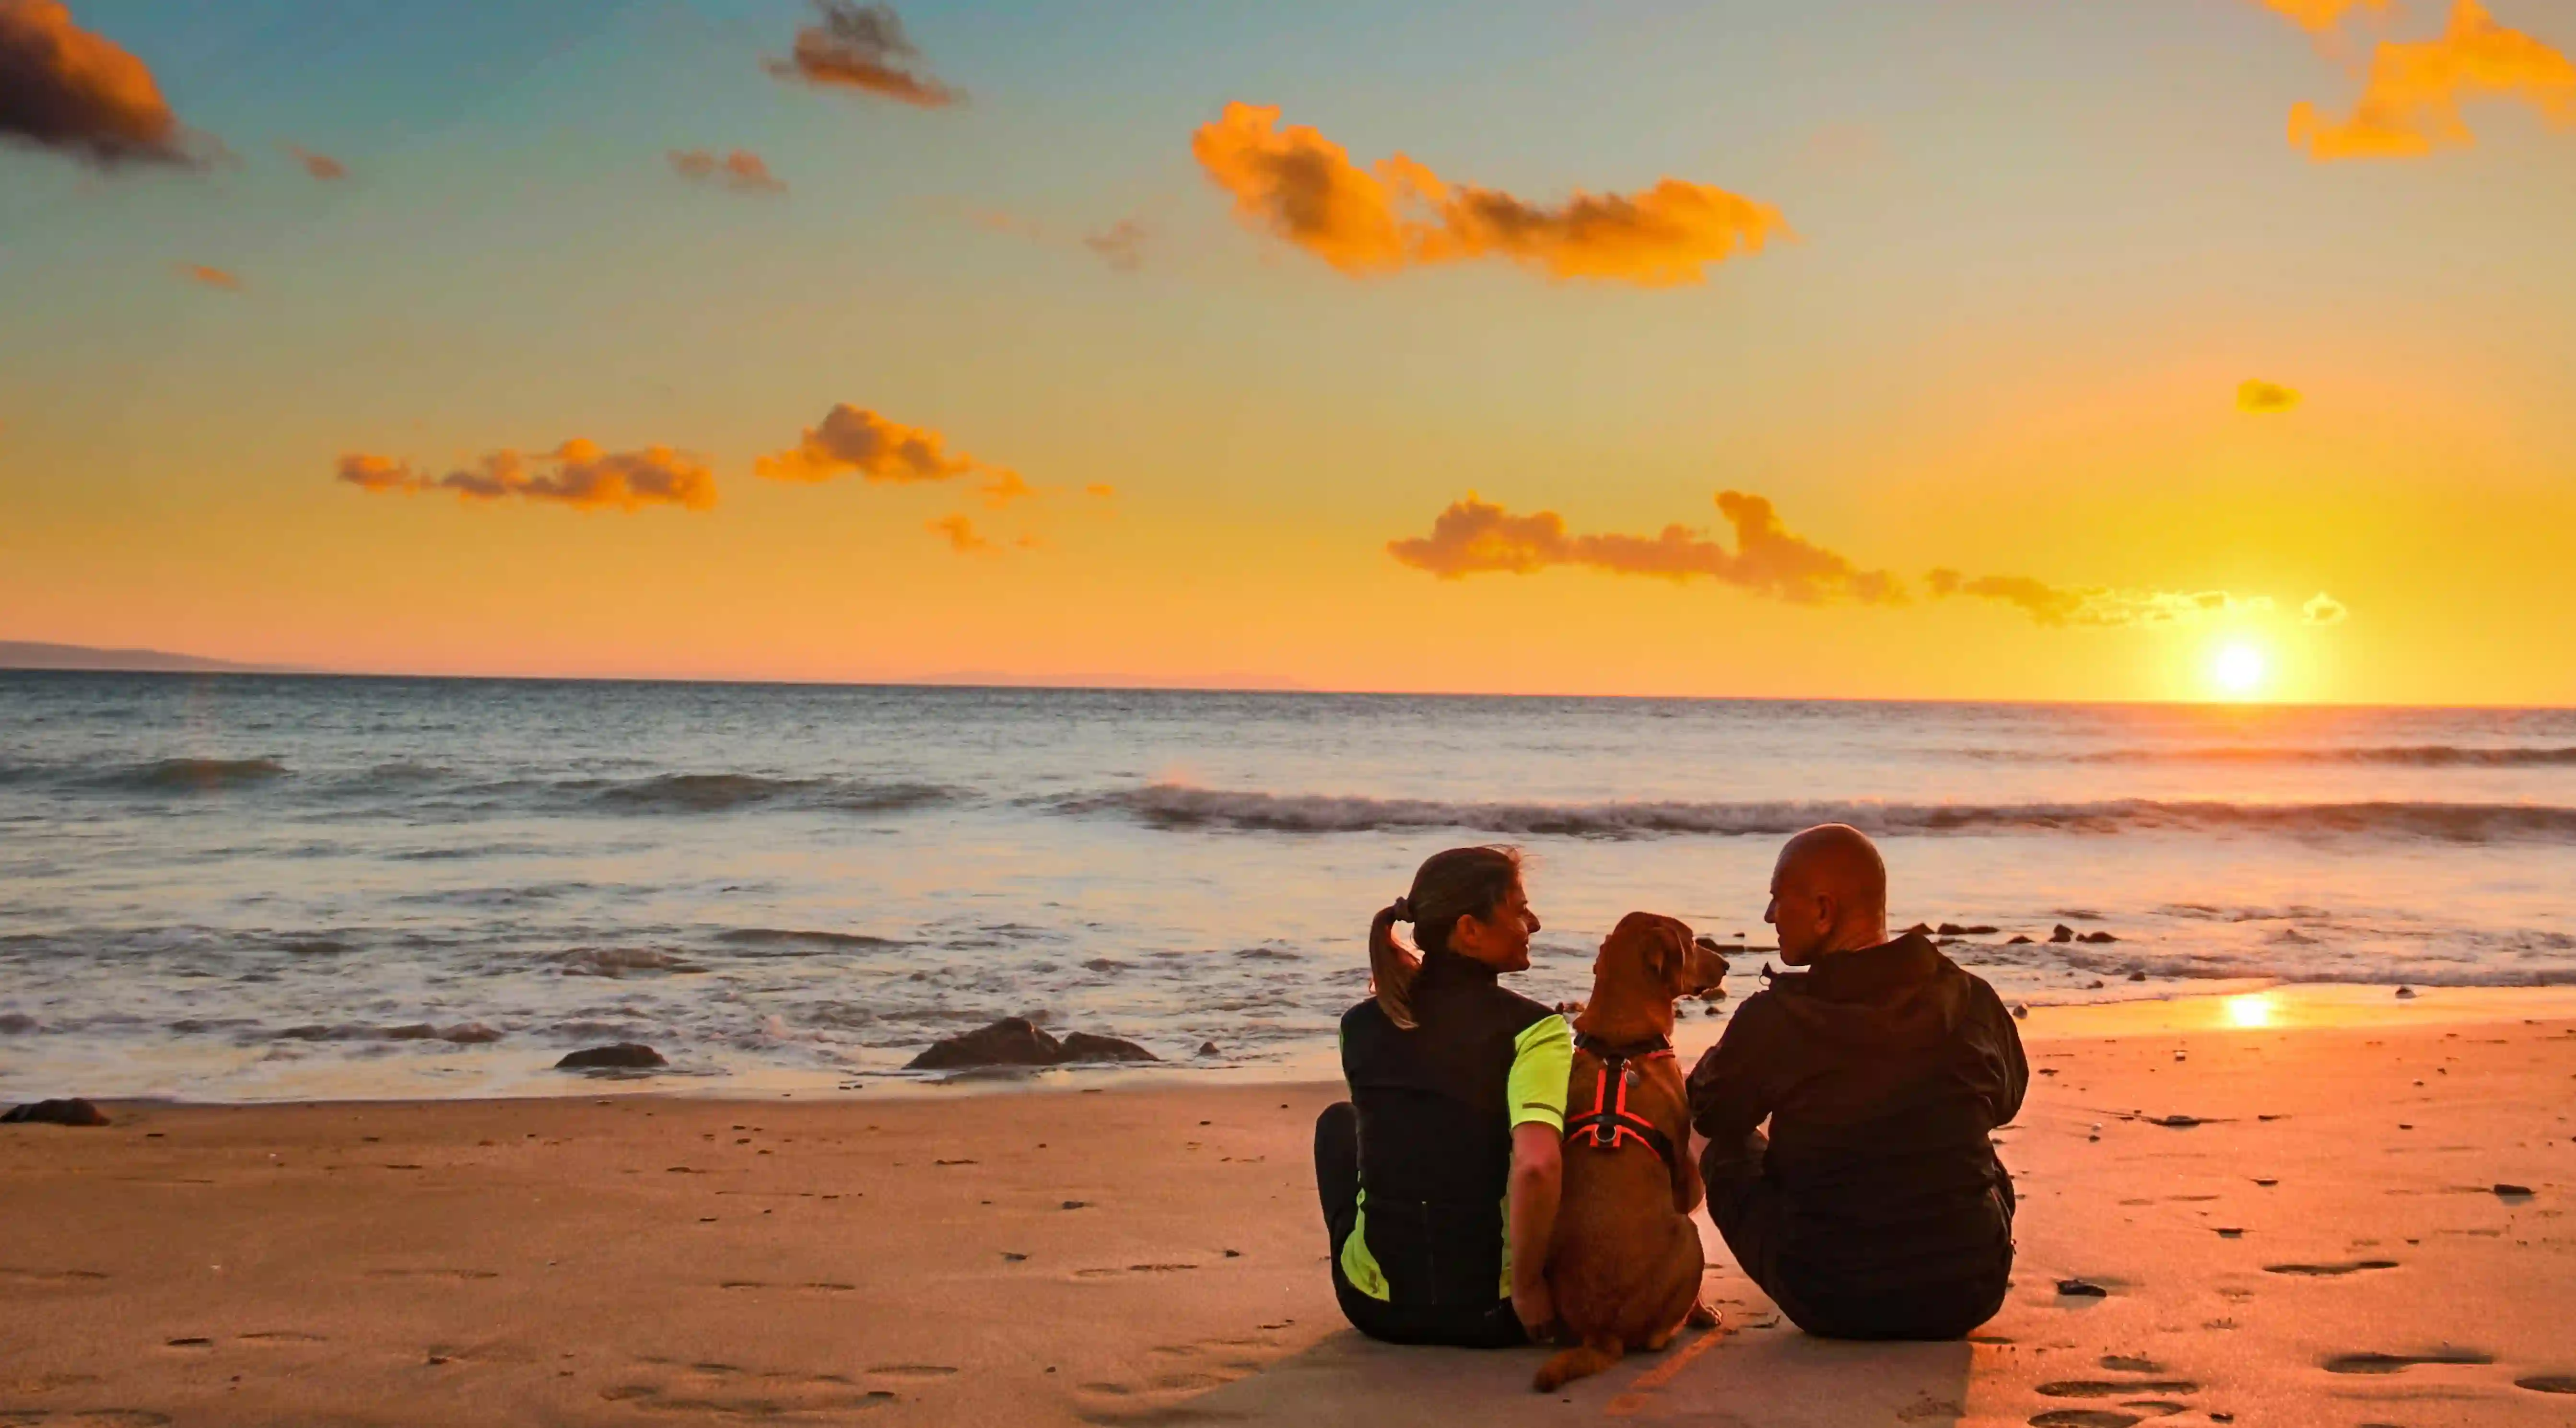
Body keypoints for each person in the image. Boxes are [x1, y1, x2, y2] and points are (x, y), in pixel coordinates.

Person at [1685, 824, 2027, 1340]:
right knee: (1968, 1133)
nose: (1769, 916)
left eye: (1778, 898)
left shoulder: (1775, 1017)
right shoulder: (1970, 997)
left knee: (1717, 1135)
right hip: (1969, 1292)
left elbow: (1709, 1112)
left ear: (1823, 910)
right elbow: (2007, 1102)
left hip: (1829, 1297)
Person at [1314, 846, 1573, 1346]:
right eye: (1520, 910)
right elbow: (1537, 1165)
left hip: (1377, 1310)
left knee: (1339, 1125)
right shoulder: (1536, 1030)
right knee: (1553, 1132)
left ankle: (1374, 1266)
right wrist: (1527, 1290)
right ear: (1469, 930)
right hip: (1497, 1316)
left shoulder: (1358, 1025)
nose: (1534, 924)